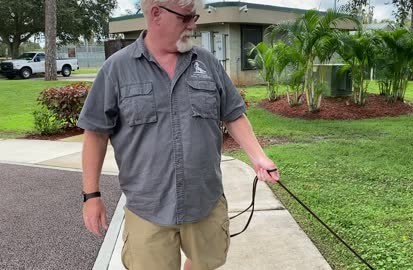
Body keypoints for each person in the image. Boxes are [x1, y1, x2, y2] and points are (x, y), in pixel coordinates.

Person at [78, 0, 280, 269]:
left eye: (194, 17)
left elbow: (233, 114)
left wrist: (259, 157)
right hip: (148, 206)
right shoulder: (117, 69)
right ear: (156, 14)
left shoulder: (206, 62)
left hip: (204, 201)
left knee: (205, 263)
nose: (193, 25)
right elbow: (95, 134)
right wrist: (91, 196)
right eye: (185, 18)